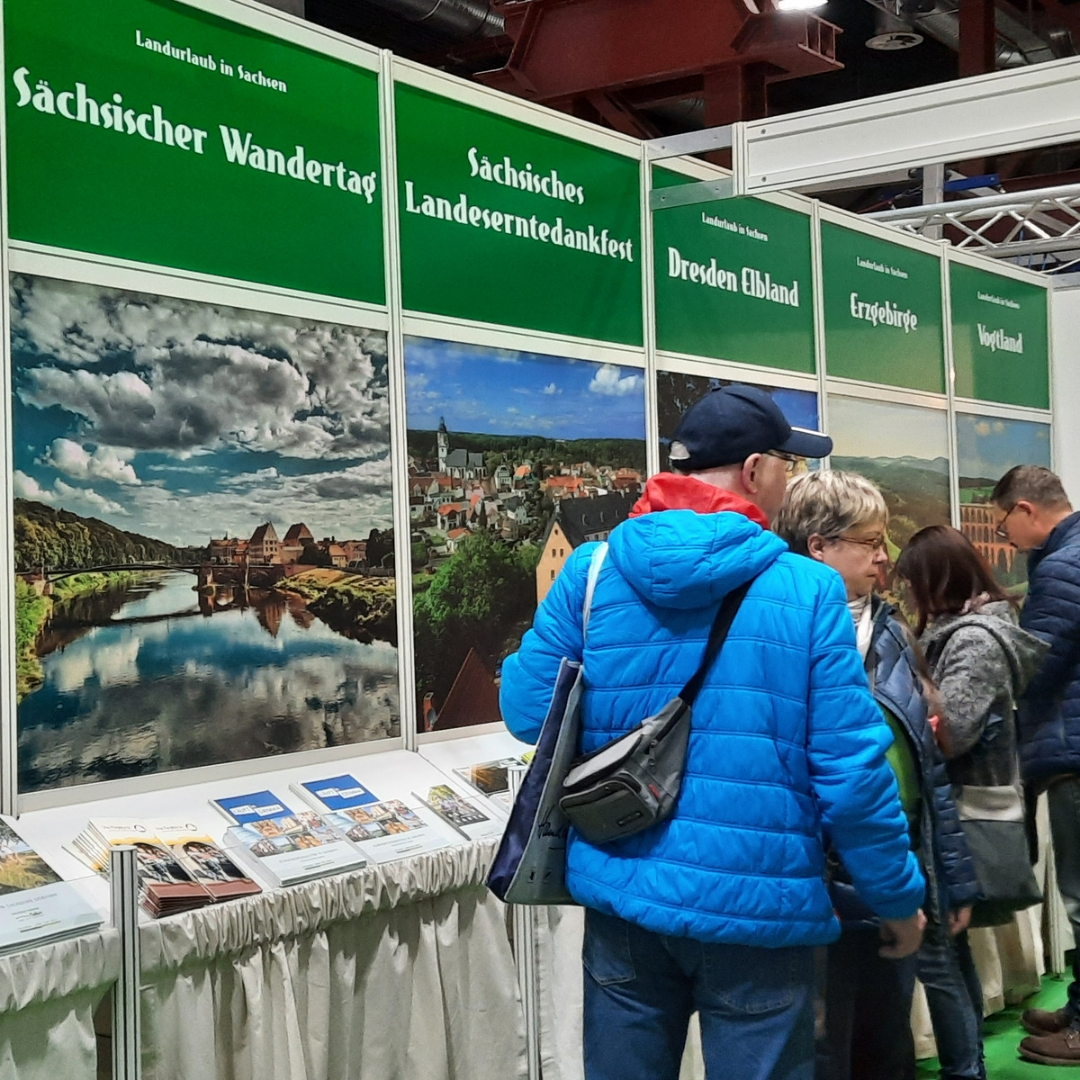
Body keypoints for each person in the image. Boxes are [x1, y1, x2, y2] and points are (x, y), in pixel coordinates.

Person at [500, 385, 927, 1080]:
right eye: (789, 465)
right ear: (755, 470)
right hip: (759, 907)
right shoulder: (809, 590)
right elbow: (852, 775)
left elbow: (525, 709)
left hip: (624, 894)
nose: (791, 481)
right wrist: (897, 898)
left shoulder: (590, 572)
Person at [775, 474, 980, 1080]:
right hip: (811, 881)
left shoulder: (891, 632)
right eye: (869, 542)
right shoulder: (777, 631)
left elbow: (926, 769)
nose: (884, 556)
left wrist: (949, 879)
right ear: (818, 546)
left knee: (887, 1047)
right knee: (819, 1051)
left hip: (891, 870)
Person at [896, 525, 1046, 1077]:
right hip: (954, 807)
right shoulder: (961, 632)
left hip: (959, 810)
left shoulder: (975, 640)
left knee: (939, 953)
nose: (906, 593)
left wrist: (909, 686)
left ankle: (965, 1067)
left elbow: (953, 731)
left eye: (913, 582)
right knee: (945, 949)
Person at [988, 466, 1080, 1065]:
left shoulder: (1063, 566)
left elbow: (1036, 664)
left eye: (1003, 525)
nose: (1007, 539)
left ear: (1025, 509)